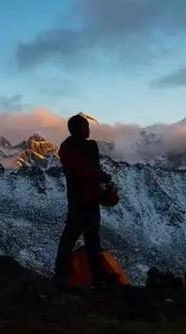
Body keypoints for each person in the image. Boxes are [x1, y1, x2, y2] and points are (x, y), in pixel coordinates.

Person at [53, 114, 111, 288]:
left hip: (85, 200)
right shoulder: (72, 148)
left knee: (85, 239)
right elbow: (84, 171)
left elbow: (88, 170)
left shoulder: (70, 147)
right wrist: (101, 177)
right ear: (78, 128)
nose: (88, 128)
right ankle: (66, 274)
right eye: (85, 125)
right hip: (81, 201)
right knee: (80, 238)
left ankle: (94, 277)